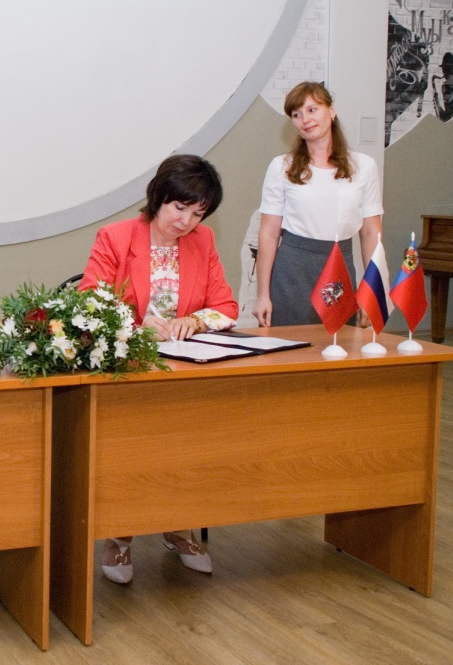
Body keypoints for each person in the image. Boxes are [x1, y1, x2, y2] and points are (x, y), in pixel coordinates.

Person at [80, 154, 238, 582]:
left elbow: (226, 307)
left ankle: (177, 525)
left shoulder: (203, 241)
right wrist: (136, 324)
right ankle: (119, 535)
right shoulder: (116, 237)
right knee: (131, 446)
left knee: (187, 445)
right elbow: (89, 305)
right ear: (158, 197)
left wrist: (195, 321)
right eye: (179, 207)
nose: (186, 221)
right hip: (127, 370)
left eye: (198, 213)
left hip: (183, 371)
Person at [252, 82, 383, 327]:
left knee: (340, 344)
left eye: (312, 110)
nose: (305, 119)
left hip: (340, 267)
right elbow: (269, 233)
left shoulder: (364, 166)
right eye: (296, 114)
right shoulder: (282, 166)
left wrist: (372, 289)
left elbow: (370, 233)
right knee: (290, 345)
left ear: (331, 111)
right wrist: (262, 295)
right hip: (292, 269)